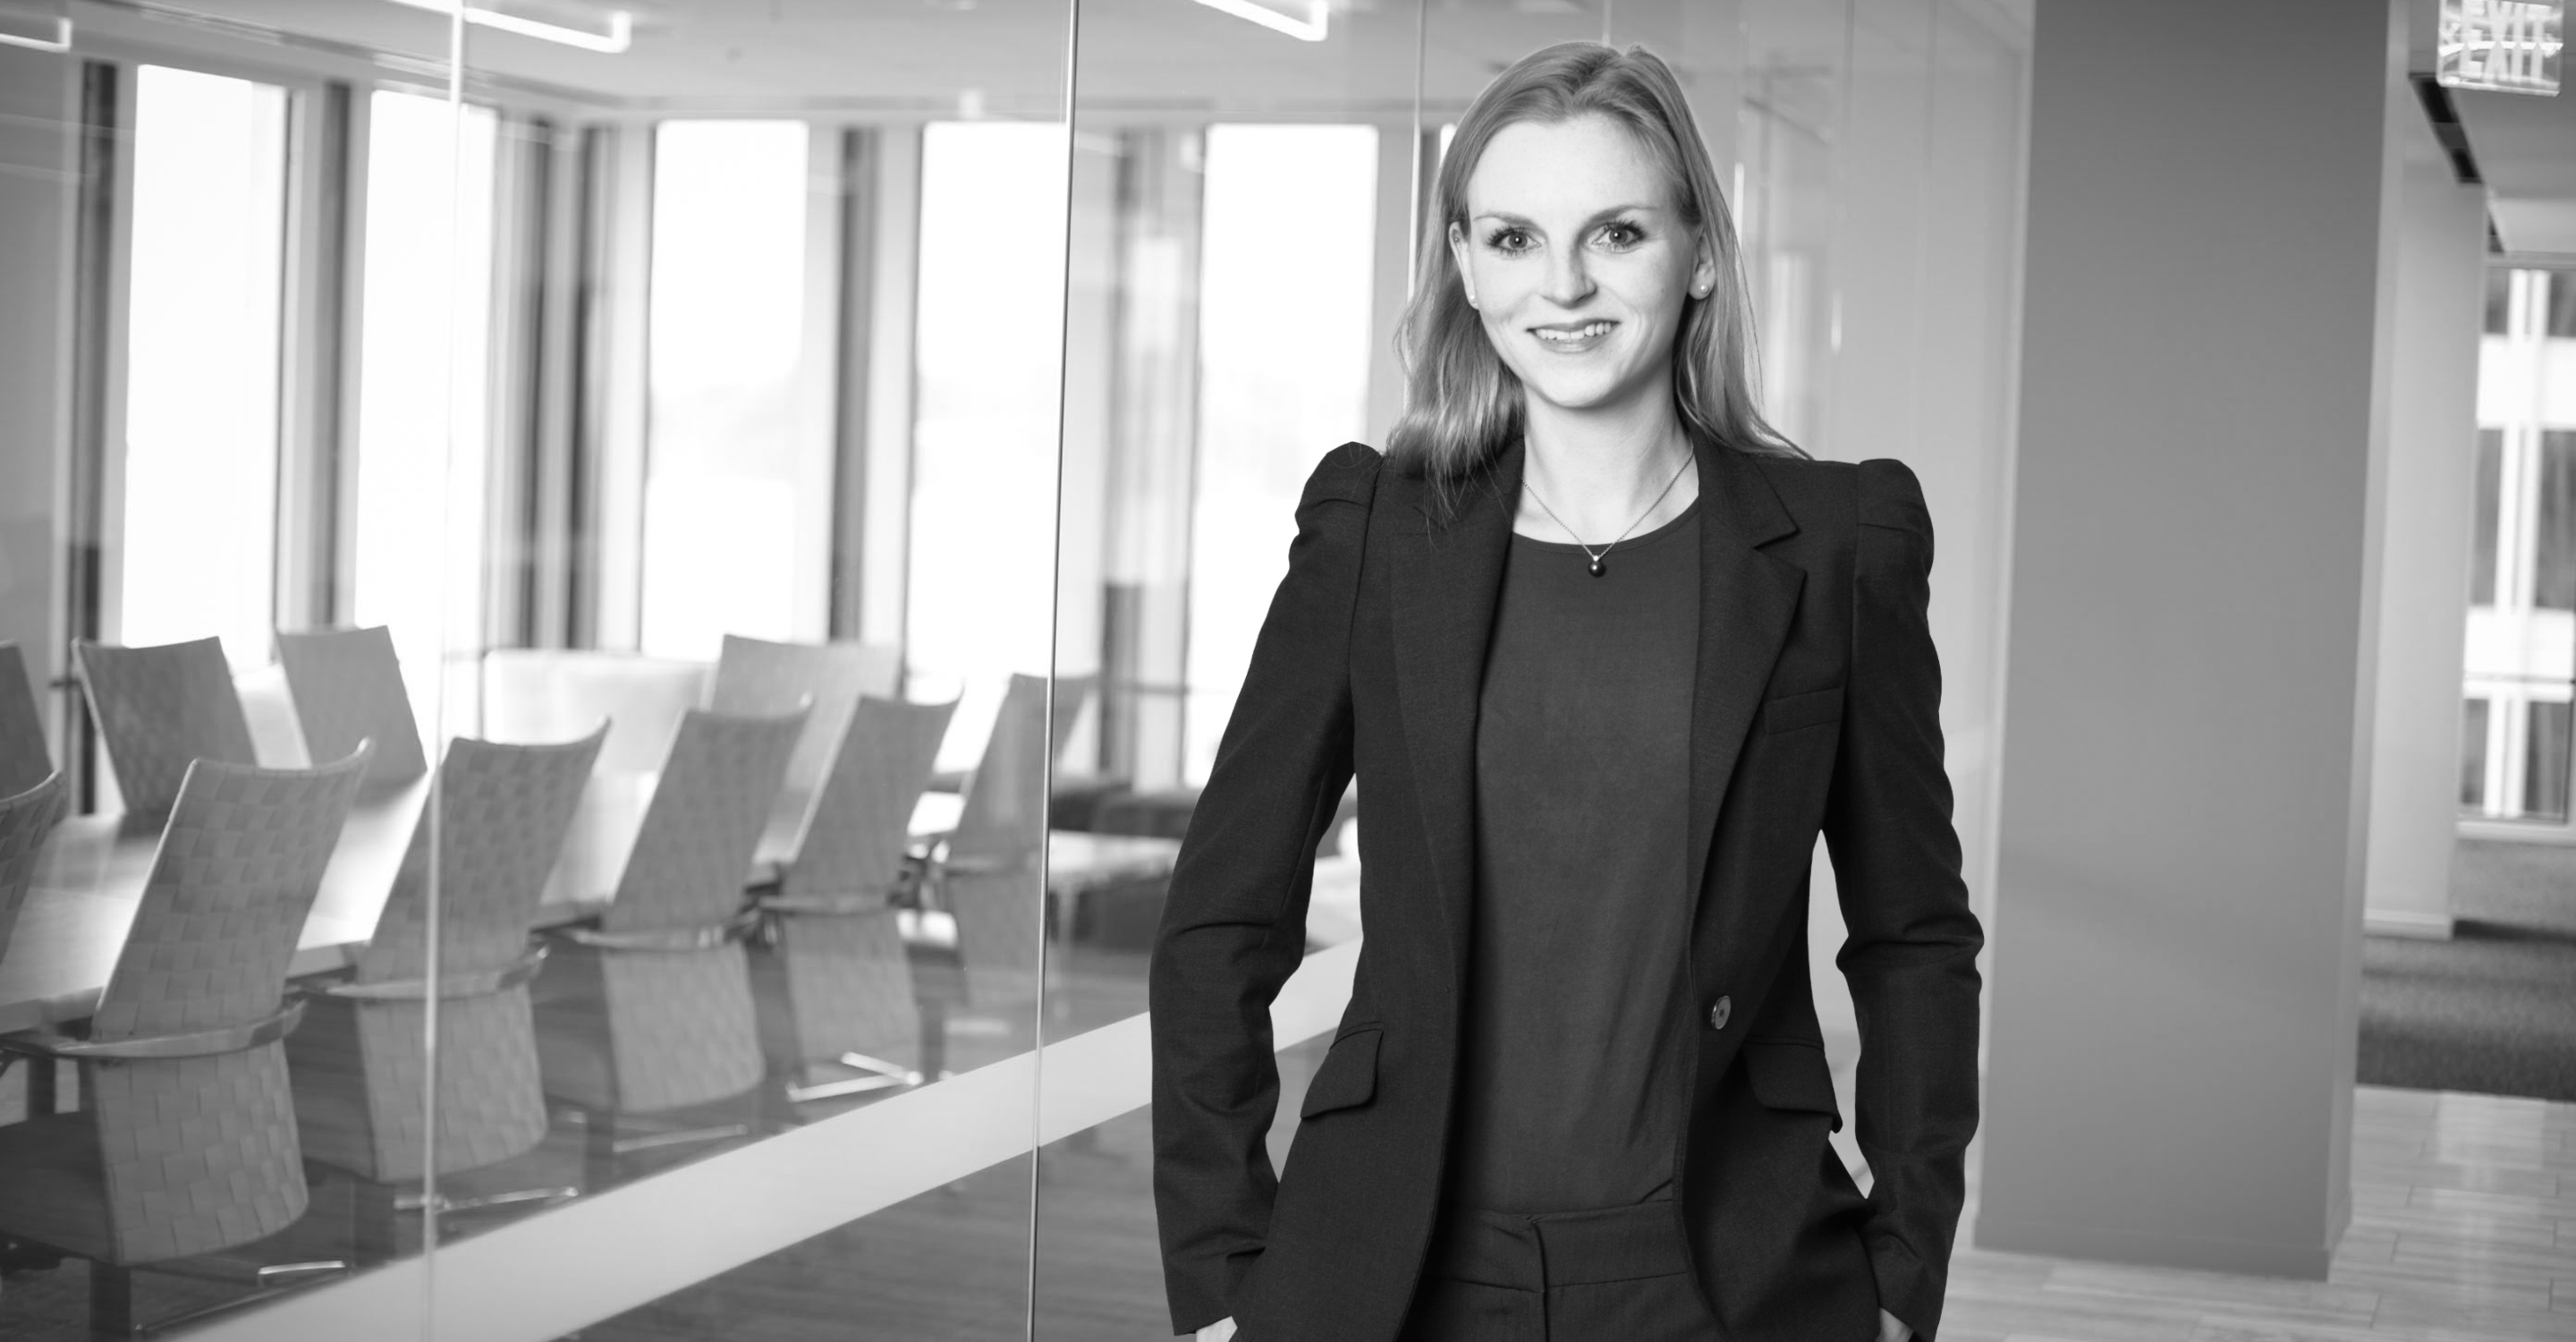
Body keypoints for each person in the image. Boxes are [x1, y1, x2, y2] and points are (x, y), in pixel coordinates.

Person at [1148, 39, 1981, 1342]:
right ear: (1466, 265)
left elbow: (1914, 934)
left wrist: (1902, 1268)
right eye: (1515, 239)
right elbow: (1221, 920)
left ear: (1698, 253)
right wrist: (1219, 1275)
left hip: (1733, 1277)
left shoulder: (1838, 545)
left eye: (1617, 232)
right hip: (1392, 1278)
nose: (1566, 284)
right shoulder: (1375, 535)